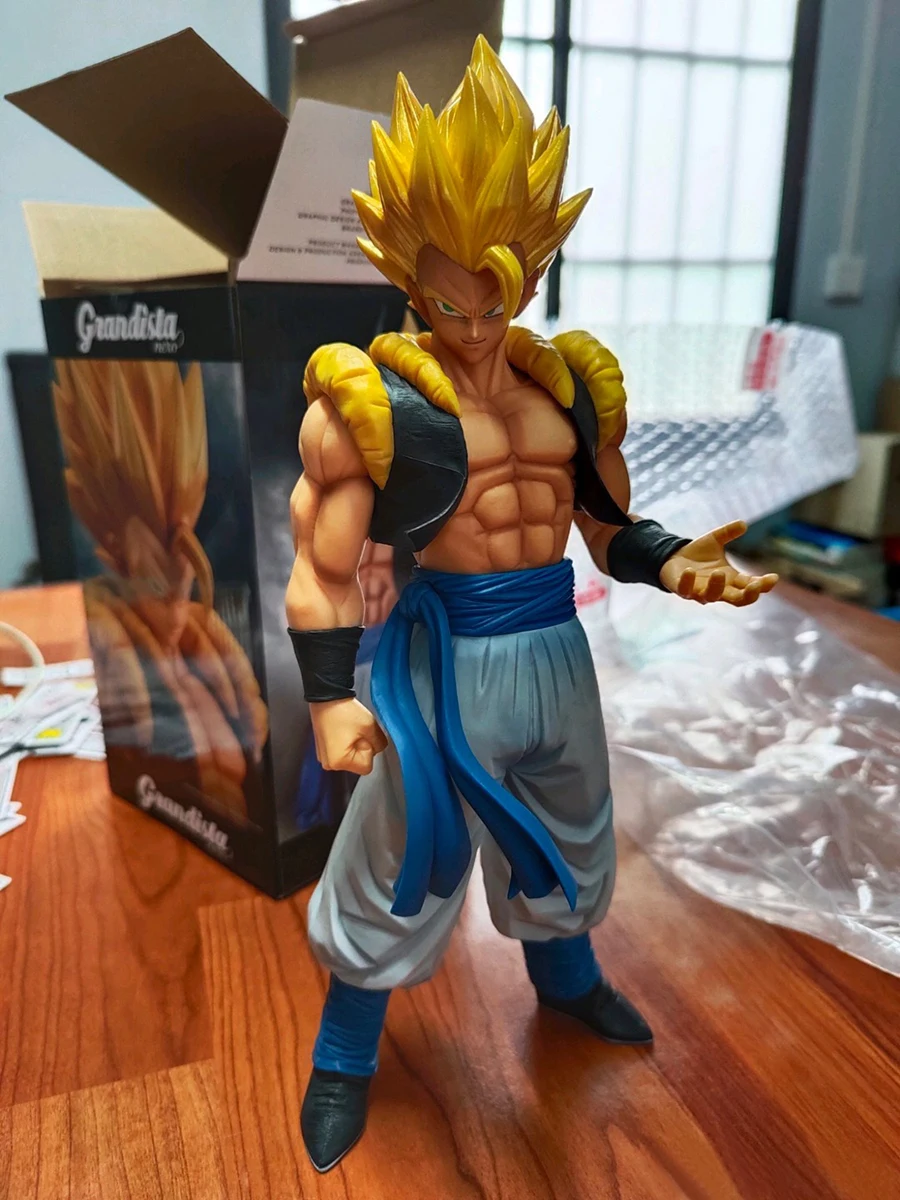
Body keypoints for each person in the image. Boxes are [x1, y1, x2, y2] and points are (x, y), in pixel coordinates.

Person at [285, 36, 777, 1173]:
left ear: (534, 266)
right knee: (400, 853)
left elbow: (607, 524)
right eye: (445, 296)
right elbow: (320, 566)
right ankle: (346, 1051)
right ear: (408, 275)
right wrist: (327, 700)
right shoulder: (367, 403)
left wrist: (673, 563)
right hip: (444, 661)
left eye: (495, 292)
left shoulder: (569, 386)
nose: (472, 322)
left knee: (571, 825)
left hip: (556, 645)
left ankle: (567, 980)